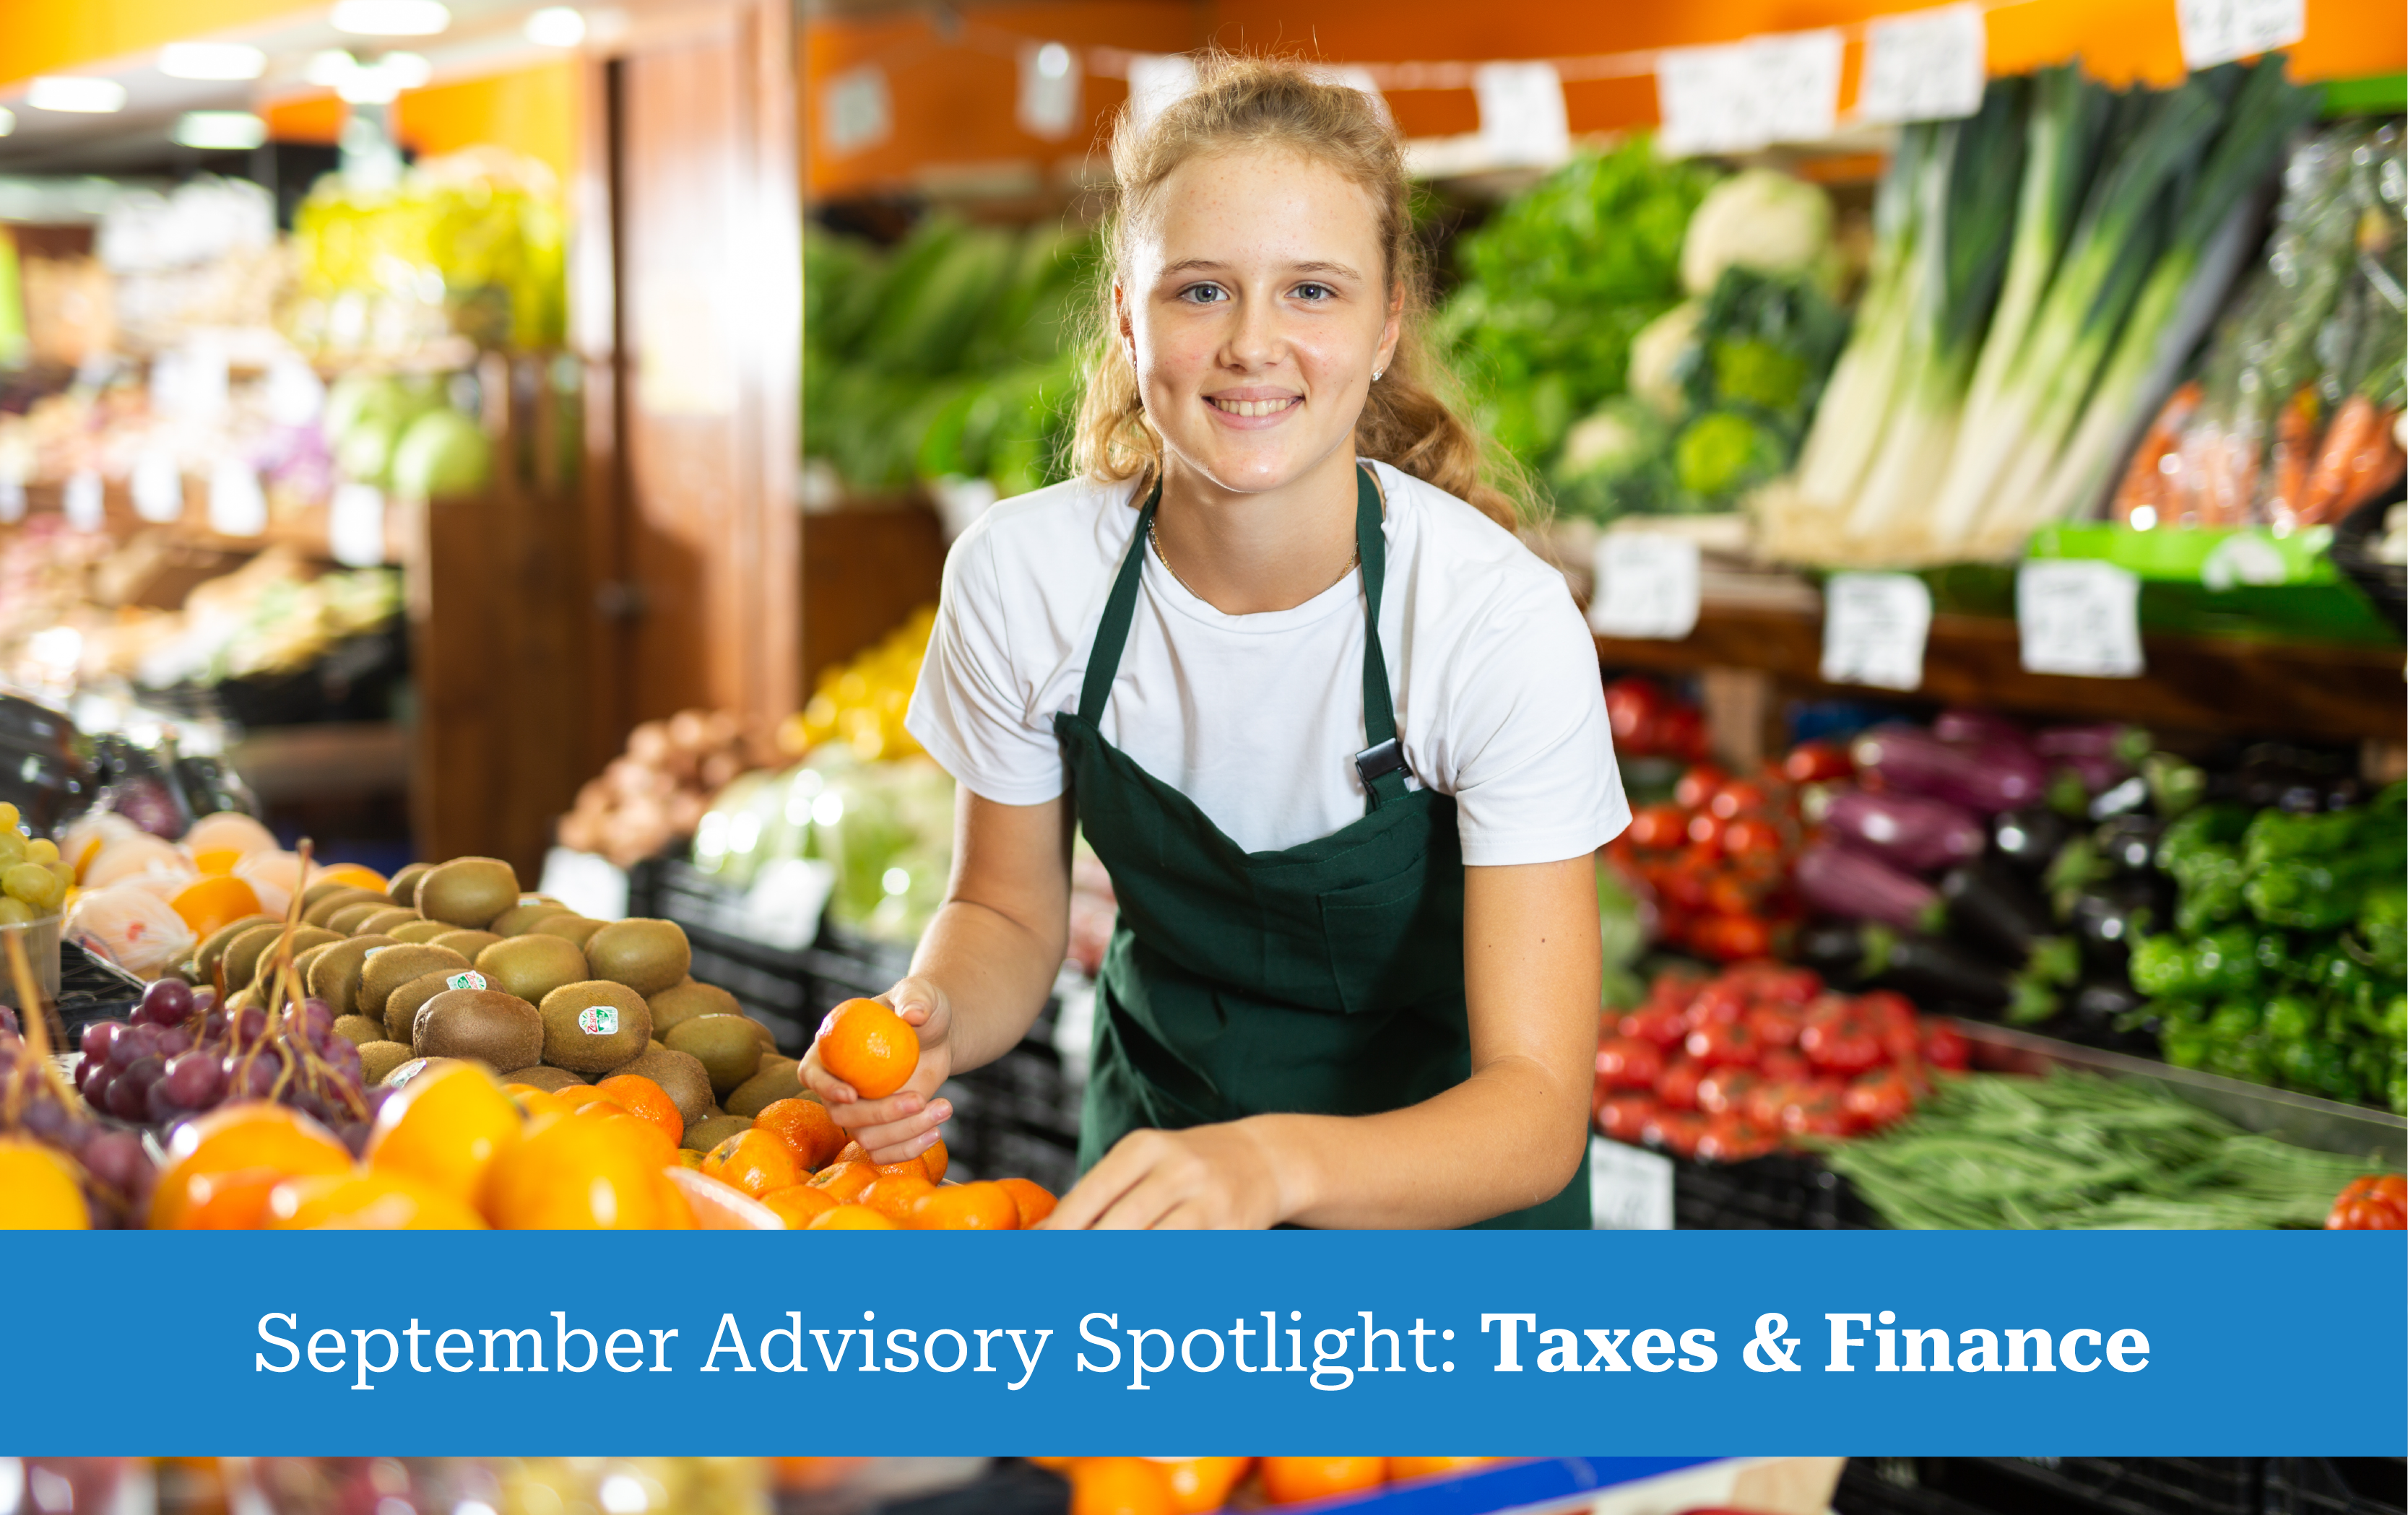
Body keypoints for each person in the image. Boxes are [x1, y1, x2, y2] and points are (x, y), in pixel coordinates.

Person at [800, 53, 1627, 1228]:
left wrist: (1269, 1166)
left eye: (1312, 291)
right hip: (1161, 1171)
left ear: (1386, 323)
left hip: (1446, 1200)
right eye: (1199, 290)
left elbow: (1536, 1108)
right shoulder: (1023, 578)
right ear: (1127, 317)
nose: (1251, 343)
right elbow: (1007, 915)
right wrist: (931, 1014)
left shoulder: (1490, 622)